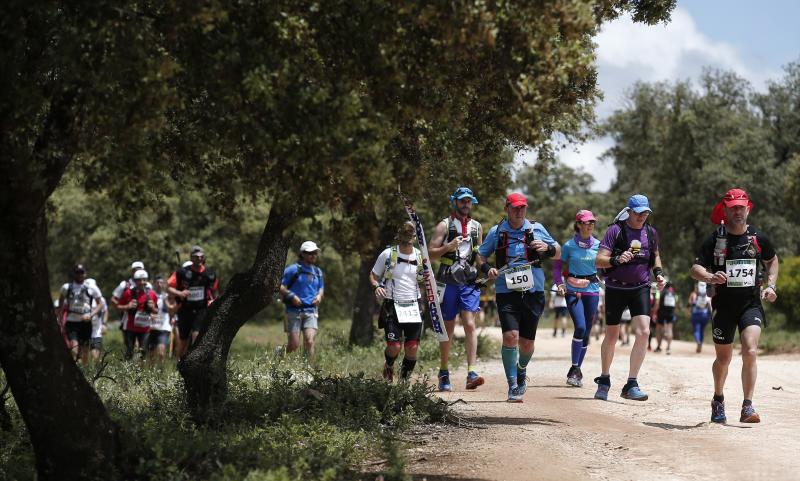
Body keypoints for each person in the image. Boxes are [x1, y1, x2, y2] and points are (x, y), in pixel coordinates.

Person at [691, 188, 779, 424]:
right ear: (726, 210)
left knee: (750, 350)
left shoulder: (758, 238)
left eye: (742, 207)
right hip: (724, 307)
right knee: (724, 359)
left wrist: (771, 286)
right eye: (733, 208)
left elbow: (772, 261)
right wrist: (710, 277)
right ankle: (718, 398)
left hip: (750, 305)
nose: (738, 211)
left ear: (748, 208)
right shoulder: (716, 239)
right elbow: (695, 269)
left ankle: (747, 406)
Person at [477, 192, 560, 402]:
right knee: (510, 337)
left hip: (534, 292)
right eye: (515, 207)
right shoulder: (497, 232)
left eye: (522, 207)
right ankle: (513, 384)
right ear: (507, 209)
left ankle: (521, 369)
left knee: (526, 344)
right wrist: (488, 269)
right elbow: (480, 256)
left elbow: (559, 251)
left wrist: (548, 248)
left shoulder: (536, 228)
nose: (519, 211)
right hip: (506, 292)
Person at [594, 194, 665, 401]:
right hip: (615, 288)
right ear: (629, 211)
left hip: (641, 287)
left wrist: (659, 274)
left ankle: (631, 383)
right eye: (638, 212)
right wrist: (616, 259)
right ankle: (605, 379)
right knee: (612, 335)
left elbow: (656, 255)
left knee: (644, 332)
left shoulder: (650, 233)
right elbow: (599, 261)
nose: (642, 216)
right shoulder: (615, 231)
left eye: (645, 212)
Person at [428, 187, 484, 391]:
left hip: (468, 281)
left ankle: (471, 372)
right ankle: (443, 371)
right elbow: (430, 254)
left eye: (469, 201)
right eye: (462, 201)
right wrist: (447, 247)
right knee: (448, 327)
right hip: (448, 280)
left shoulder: (477, 227)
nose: (465, 204)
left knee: (469, 324)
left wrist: (486, 268)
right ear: (455, 202)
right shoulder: (444, 226)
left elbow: (479, 254)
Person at [370, 222, 424, 383]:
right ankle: (389, 364)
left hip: (414, 306)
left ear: (414, 237)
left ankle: (403, 383)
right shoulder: (388, 254)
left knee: (412, 348)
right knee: (394, 347)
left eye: (410, 233)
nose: (407, 236)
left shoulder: (420, 256)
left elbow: (427, 281)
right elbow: (373, 275)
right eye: (404, 233)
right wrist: (377, 286)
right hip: (392, 305)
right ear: (398, 235)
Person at [553, 210, 601, 387]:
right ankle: (574, 367)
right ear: (579, 224)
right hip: (573, 290)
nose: (589, 226)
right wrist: (559, 283)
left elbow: (605, 266)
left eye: (592, 223)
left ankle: (576, 372)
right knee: (580, 326)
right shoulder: (568, 246)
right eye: (586, 223)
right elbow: (558, 267)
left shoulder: (599, 245)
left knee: (587, 332)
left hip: (593, 290)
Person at [168, 245, 219, 358]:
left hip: (201, 309)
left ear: (204, 258)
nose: (199, 259)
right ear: (191, 258)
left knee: (197, 336)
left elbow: (215, 290)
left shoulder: (209, 273)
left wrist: (214, 301)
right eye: (196, 257)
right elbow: (169, 287)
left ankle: (194, 362)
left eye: (201, 257)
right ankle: (178, 363)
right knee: (183, 340)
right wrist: (180, 293)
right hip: (185, 310)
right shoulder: (182, 272)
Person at [279, 241, 324, 360]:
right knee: (294, 344)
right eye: (310, 253)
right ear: (302, 254)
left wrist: (319, 296)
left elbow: (321, 288)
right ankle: (279, 356)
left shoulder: (318, 272)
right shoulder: (293, 270)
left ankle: (311, 371)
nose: (313, 255)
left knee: (309, 341)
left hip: (311, 311)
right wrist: (292, 296)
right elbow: (279, 285)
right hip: (293, 311)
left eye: (315, 253)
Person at [57, 264, 103, 364]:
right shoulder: (66, 287)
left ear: (85, 273)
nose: (79, 274)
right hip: (72, 321)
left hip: (85, 322)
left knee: (85, 350)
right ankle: (76, 367)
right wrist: (59, 317)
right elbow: (60, 304)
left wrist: (91, 315)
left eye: (81, 272)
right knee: (74, 347)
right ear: (74, 274)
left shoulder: (91, 287)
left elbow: (100, 304)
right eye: (77, 272)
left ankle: (84, 370)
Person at [118, 269, 158, 360]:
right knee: (129, 351)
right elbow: (118, 306)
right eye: (139, 280)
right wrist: (128, 306)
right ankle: (126, 371)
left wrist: (152, 308)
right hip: (131, 327)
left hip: (145, 328)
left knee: (143, 352)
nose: (141, 282)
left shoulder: (152, 294)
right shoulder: (128, 292)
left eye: (144, 280)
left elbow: (156, 311)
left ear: (147, 280)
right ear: (135, 281)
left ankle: (139, 372)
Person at [148, 275, 175, 361]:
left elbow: (172, 309)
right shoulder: (149, 295)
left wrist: (173, 317)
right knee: (151, 355)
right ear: (154, 284)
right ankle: (152, 373)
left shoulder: (167, 297)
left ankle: (161, 370)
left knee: (161, 353)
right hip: (151, 328)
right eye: (157, 282)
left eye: (161, 283)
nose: (159, 284)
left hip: (163, 328)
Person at [85, 278, 108, 361]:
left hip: (97, 330)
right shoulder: (82, 299)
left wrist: (104, 324)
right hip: (84, 329)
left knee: (96, 353)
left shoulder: (101, 299)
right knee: (85, 353)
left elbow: (105, 311)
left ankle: (95, 370)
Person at [687, 281, 712, 353]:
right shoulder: (707, 295)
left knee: (696, 330)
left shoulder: (693, 294)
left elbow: (689, 303)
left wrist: (688, 312)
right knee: (702, 330)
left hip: (695, 314)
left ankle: (698, 342)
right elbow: (710, 306)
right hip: (705, 315)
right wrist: (711, 315)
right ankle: (700, 343)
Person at [655, 281, 677, 354]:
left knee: (658, 329)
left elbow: (657, 303)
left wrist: (654, 312)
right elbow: (675, 305)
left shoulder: (660, 292)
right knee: (670, 329)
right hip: (670, 313)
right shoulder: (674, 293)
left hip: (661, 312)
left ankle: (659, 347)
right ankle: (668, 348)